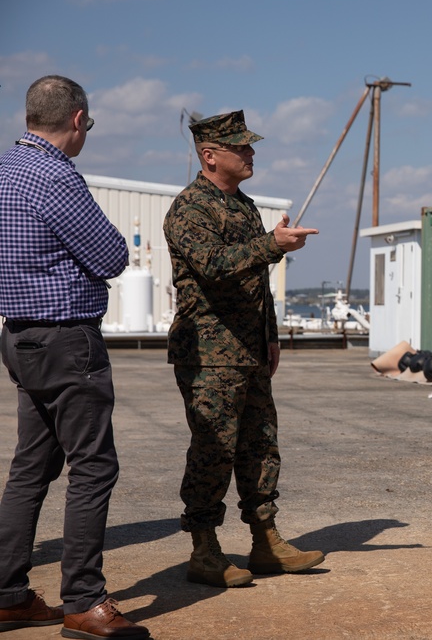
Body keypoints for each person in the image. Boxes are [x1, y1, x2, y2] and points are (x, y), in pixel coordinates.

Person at [0, 75, 149, 638]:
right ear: (79, 119)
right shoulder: (54, 175)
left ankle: (8, 594)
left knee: (31, 468)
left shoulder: (5, 170)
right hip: (67, 339)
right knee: (93, 466)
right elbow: (112, 254)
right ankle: (84, 601)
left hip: (19, 336)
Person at [163, 110, 324, 588]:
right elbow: (214, 265)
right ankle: (204, 548)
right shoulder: (190, 208)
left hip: (249, 348)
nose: (251, 153)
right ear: (210, 156)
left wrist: (270, 335)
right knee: (213, 450)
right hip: (209, 352)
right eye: (241, 147)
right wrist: (272, 245)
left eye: (250, 146)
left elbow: (258, 283)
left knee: (259, 445)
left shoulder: (245, 206)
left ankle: (265, 539)